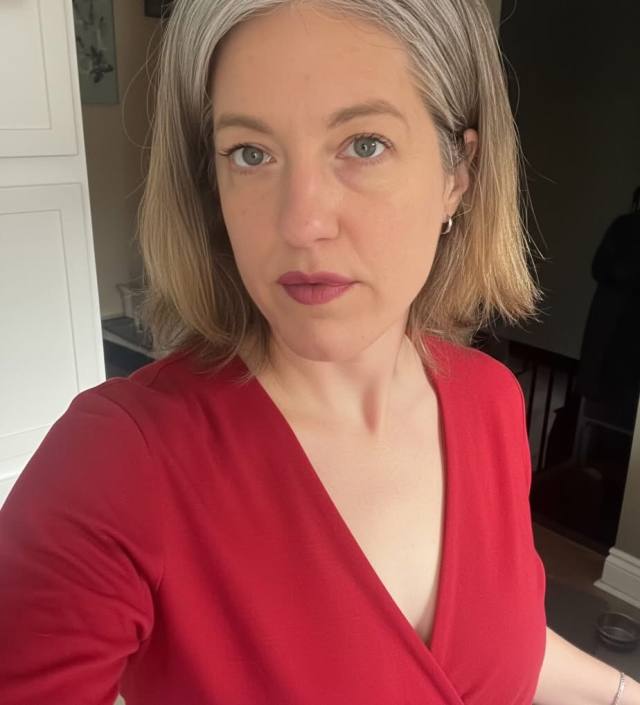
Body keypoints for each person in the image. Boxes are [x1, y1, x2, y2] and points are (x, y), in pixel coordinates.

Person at [0, 1, 638, 704]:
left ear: (457, 174)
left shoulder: (490, 400)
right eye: (251, 153)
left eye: (363, 144)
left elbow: (498, 648)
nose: (301, 223)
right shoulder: (116, 461)